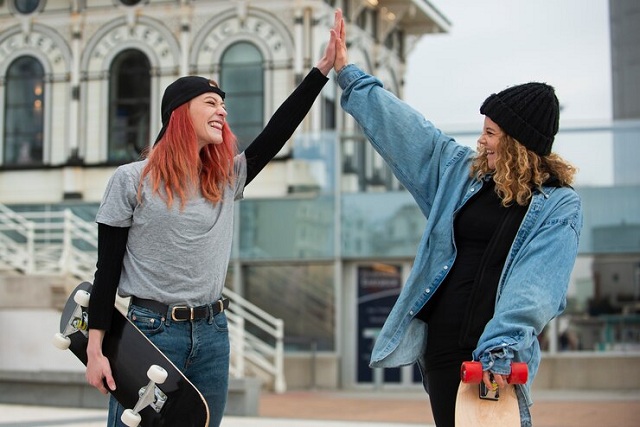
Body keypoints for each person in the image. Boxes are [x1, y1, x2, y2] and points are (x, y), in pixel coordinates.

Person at [85, 11, 342, 427]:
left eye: (223, 104)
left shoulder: (224, 179)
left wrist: (322, 70)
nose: (222, 111)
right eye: (210, 103)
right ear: (180, 114)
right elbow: (107, 269)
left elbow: (276, 132)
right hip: (152, 333)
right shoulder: (131, 180)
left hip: (213, 334)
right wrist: (96, 350)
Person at [332, 10, 582, 427]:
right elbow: (412, 135)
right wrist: (350, 76)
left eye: (491, 133)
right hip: (443, 354)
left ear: (519, 145)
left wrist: (498, 352)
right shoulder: (462, 175)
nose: (481, 141)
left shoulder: (557, 205)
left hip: (493, 362)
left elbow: (536, 287)